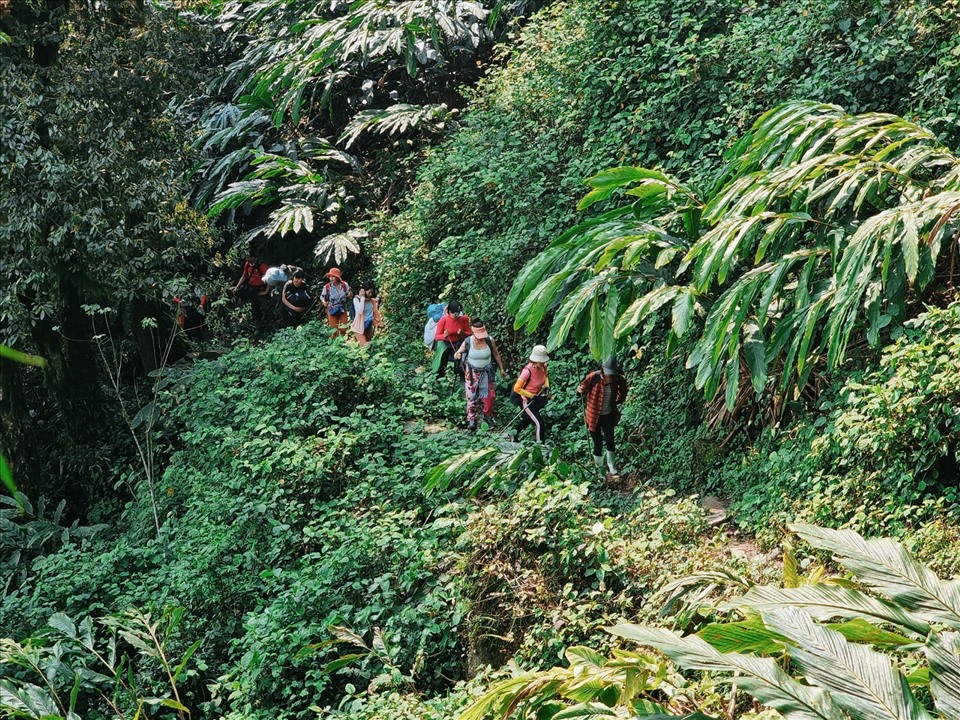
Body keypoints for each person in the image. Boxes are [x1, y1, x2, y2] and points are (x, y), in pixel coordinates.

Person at [577, 357, 629, 476]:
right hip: (593, 415)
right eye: (607, 374)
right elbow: (582, 389)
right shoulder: (593, 377)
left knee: (610, 440)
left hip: (608, 415)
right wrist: (579, 390)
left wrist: (617, 400)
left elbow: (624, 390)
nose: (609, 378)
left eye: (611, 375)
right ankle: (600, 469)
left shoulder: (617, 379)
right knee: (598, 443)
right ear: (603, 371)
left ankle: (611, 465)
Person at [454, 320, 506, 430]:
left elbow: (496, 354)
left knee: (490, 397)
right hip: (472, 374)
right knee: (472, 396)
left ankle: (487, 415)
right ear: (473, 333)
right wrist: (457, 354)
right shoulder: (468, 341)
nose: (480, 338)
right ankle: (472, 420)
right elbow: (457, 353)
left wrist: (501, 368)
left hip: (487, 372)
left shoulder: (489, 340)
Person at [511, 344, 550, 443]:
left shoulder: (544, 367)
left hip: (536, 398)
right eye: (539, 362)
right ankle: (540, 446)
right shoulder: (527, 371)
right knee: (539, 423)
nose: (542, 363)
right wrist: (530, 395)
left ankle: (512, 434)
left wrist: (546, 386)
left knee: (527, 419)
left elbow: (545, 377)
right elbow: (517, 388)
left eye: (543, 361)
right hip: (526, 400)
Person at [434, 301, 471, 378]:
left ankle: (463, 377)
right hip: (446, 343)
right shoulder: (444, 320)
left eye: (459, 313)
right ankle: (439, 377)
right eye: (456, 313)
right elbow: (437, 337)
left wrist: (462, 333)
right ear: (450, 312)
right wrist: (444, 335)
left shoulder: (464, 319)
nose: (458, 315)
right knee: (442, 361)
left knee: (462, 359)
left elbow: (469, 334)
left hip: (459, 342)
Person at [321, 267, 352, 337]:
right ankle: (333, 345)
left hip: (342, 308)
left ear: (337, 277)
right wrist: (324, 302)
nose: (331, 278)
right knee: (333, 330)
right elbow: (322, 297)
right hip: (332, 308)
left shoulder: (344, 285)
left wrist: (350, 294)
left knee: (344, 328)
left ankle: (341, 342)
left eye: (333, 276)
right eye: (330, 276)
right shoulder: (327, 287)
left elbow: (350, 294)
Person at [350, 281, 383, 346]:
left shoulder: (371, 300)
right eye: (369, 292)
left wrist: (378, 323)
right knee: (364, 347)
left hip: (368, 326)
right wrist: (362, 298)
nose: (370, 294)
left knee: (369, 346)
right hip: (359, 327)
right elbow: (359, 311)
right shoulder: (356, 299)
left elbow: (375, 312)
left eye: (372, 292)